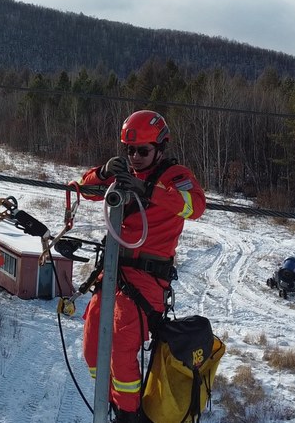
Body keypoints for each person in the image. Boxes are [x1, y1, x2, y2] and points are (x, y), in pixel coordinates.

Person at [78, 110, 206, 423]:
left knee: (122, 345)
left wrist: (149, 191)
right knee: (93, 343)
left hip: (147, 278)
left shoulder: (174, 177)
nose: (135, 157)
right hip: (113, 272)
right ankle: (108, 399)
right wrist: (105, 172)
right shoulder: (124, 175)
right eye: (130, 151)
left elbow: (195, 206)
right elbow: (83, 189)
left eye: (143, 151)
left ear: (160, 148)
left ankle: (129, 414)